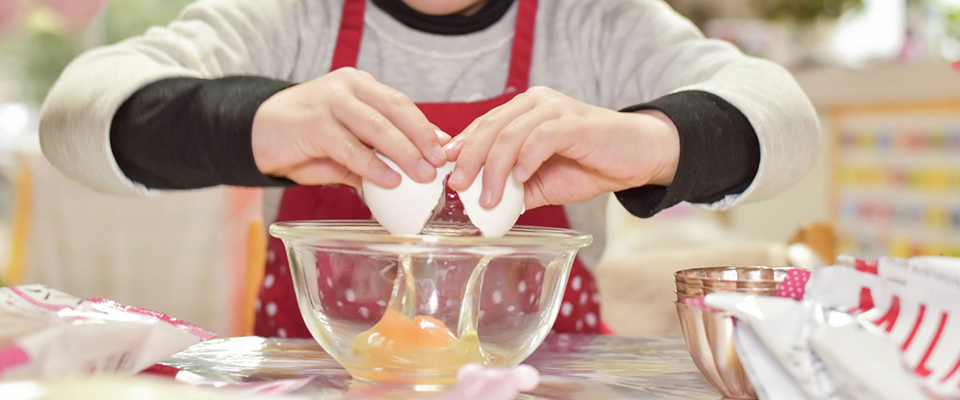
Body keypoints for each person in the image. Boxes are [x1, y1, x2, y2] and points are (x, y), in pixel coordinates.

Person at [39, 0, 819, 336]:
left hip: (544, 376)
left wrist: (648, 139)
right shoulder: (292, 19)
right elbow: (75, 115)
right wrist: (251, 122)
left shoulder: (595, 22)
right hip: (324, 374)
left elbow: (787, 119)